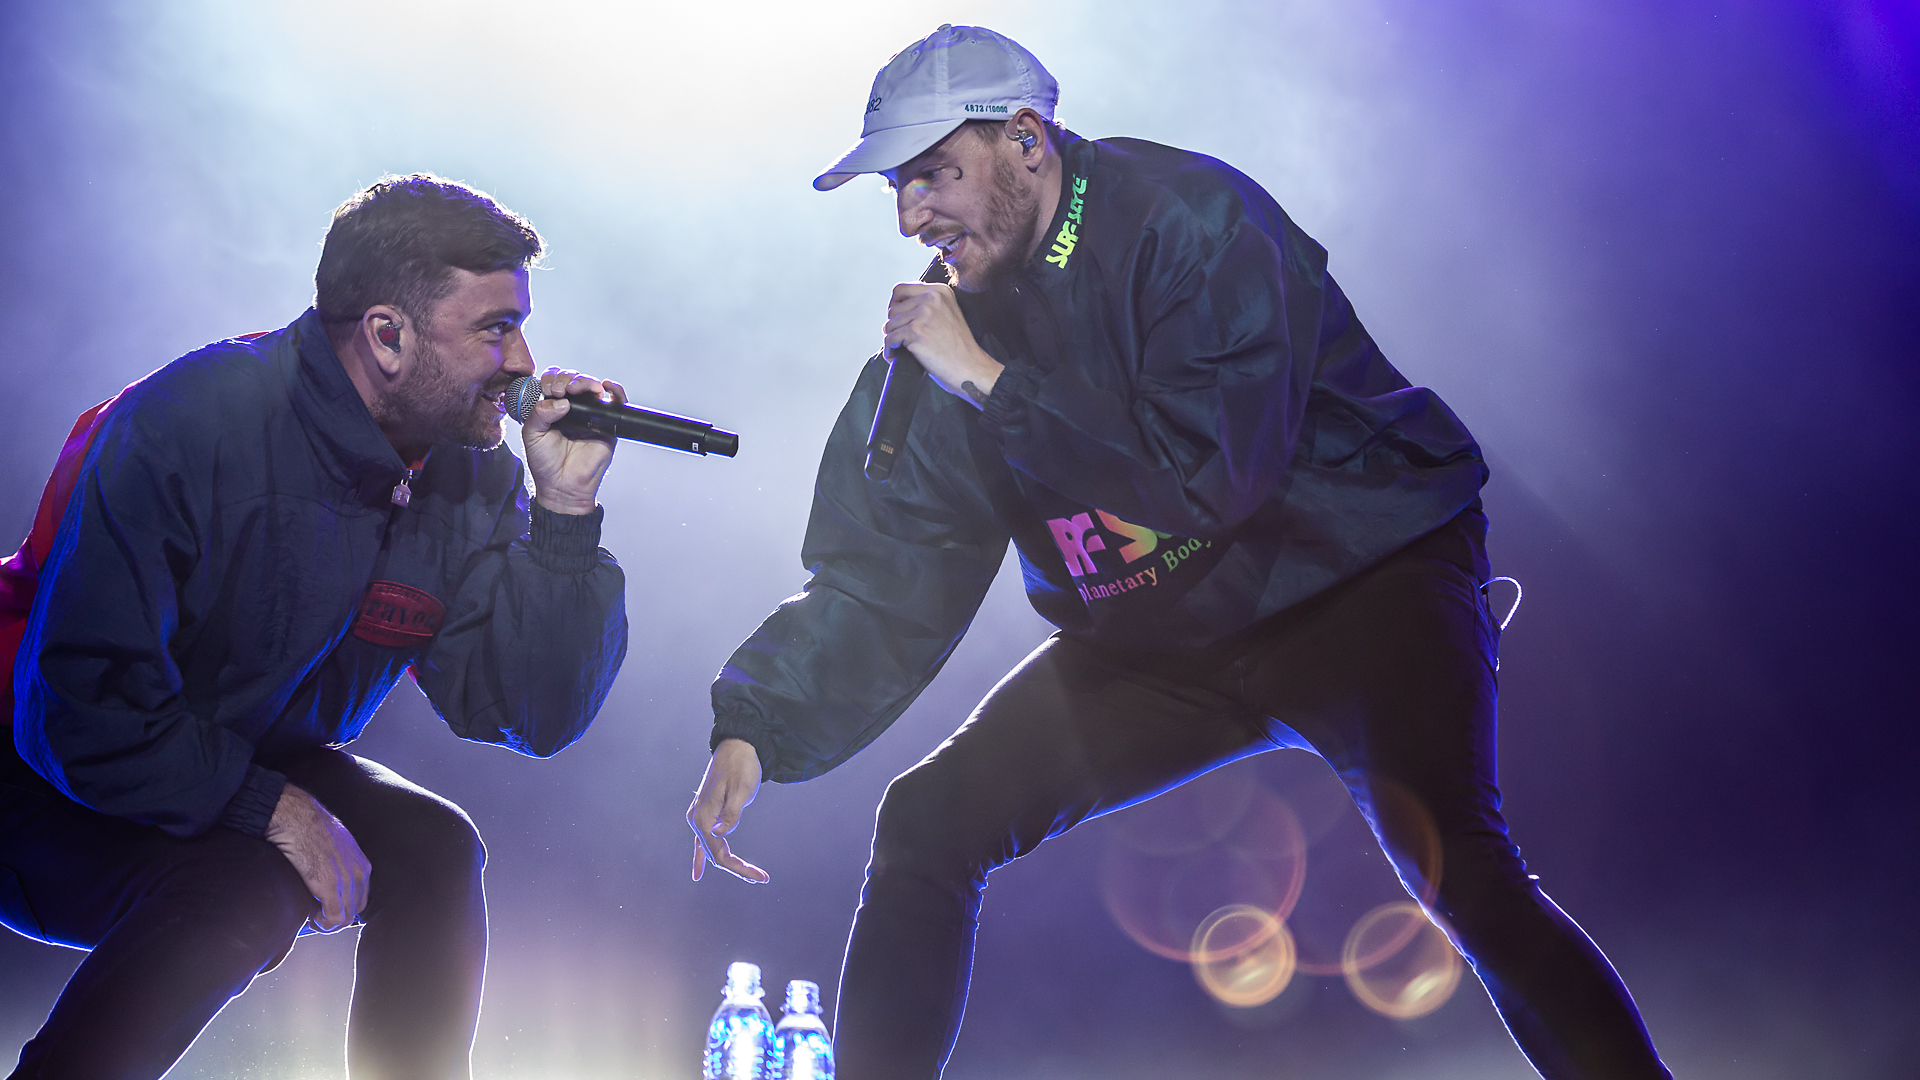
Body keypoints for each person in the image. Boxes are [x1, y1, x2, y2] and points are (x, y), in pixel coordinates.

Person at [686, 24, 1672, 1080]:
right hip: (1163, 638)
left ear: (1027, 140)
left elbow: (1209, 479)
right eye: (898, 185)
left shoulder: (1191, 219)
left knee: (1465, 872)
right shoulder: (952, 327)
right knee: (927, 821)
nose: (911, 214)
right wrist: (761, 724)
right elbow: (898, 562)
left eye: (934, 174)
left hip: (1353, 579)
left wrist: (991, 381)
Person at [0, 174, 629, 1080]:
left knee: (433, 848)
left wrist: (564, 516)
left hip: (233, 758)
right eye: (495, 328)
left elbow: (529, 713)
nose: (524, 360)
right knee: (244, 879)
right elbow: (80, 711)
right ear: (386, 335)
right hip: (43, 777)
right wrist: (267, 807)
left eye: (520, 324)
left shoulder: (469, 469)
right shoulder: (191, 423)